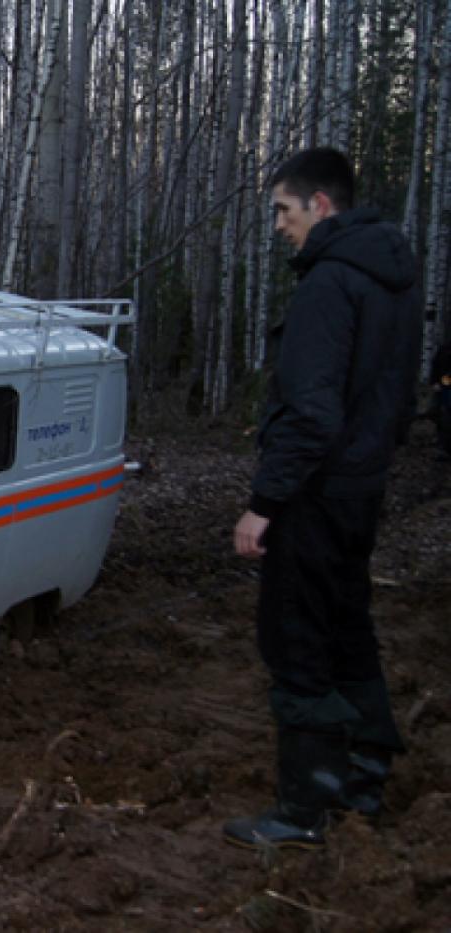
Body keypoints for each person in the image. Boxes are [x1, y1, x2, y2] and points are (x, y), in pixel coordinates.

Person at [225, 148, 420, 849]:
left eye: (284, 209)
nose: (279, 225)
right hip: (359, 490)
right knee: (348, 624)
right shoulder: (392, 278)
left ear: (321, 206)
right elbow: (393, 397)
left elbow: (312, 412)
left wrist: (264, 502)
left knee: (297, 637)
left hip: (312, 495)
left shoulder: (330, 285)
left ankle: (304, 807)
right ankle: (366, 771)